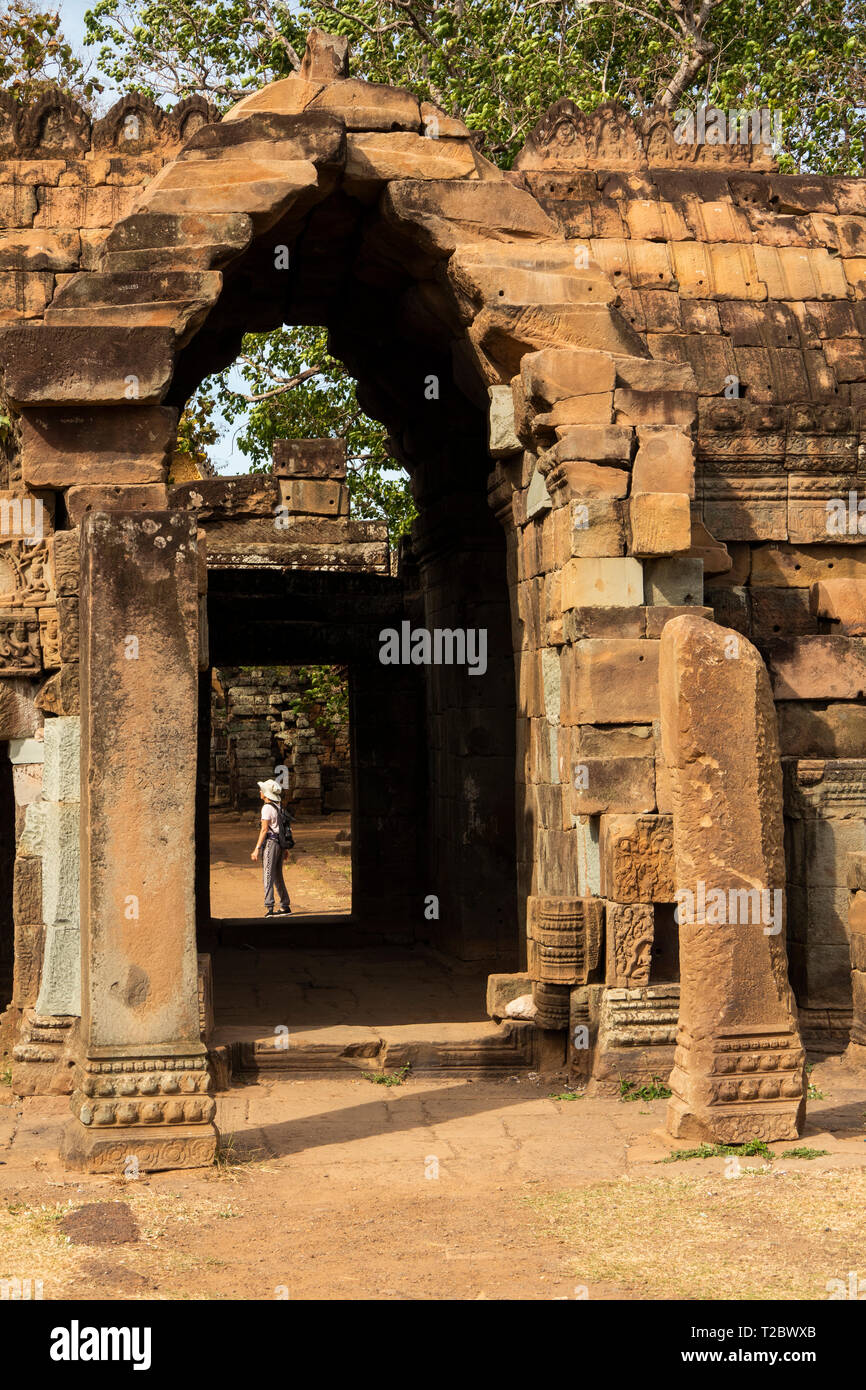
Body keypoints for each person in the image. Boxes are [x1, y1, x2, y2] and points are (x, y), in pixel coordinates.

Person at [251, 778, 292, 917]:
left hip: (271, 843)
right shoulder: (278, 806)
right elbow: (281, 828)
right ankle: (285, 904)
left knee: (268, 874)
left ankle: (269, 906)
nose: (260, 792)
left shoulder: (267, 808)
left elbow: (264, 830)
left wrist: (257, 848)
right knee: (277, 874)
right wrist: (285, 848)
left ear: (266, 794)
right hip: (280, 844)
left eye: (261, 790)